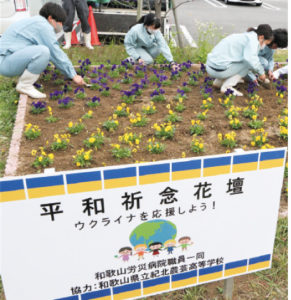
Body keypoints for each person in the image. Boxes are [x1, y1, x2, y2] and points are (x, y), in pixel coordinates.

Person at [0, 2, 85, 99]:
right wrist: (73, 75)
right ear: (50, 18)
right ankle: (25, 85)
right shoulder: (43, 26)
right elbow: (55, 53)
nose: (60, 25)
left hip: (7, 59)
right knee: (43, 52)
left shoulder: (36, 22)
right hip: (5, 62)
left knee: (39, 50)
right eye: (60, 22)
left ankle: (23, 81)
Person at [206, 24, 273, 96]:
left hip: (210, 66)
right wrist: (261, 73)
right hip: (219, 70)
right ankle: (227, 87)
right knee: (247, 64)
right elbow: (251, 59)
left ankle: (218, 82)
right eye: (266, 43)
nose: (264, 46)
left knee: (237, 61)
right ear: (261, 37)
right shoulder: (253, 41)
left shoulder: (246, 36)